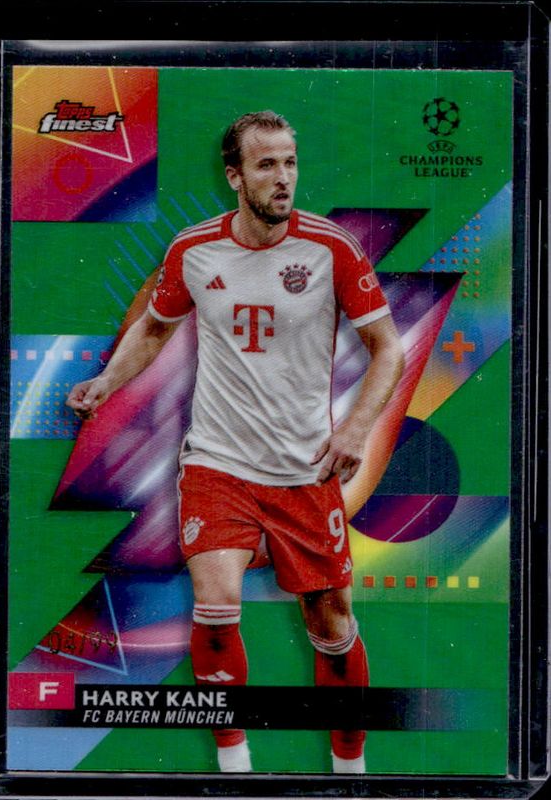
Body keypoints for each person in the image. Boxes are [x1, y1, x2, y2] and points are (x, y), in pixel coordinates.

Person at [67, 111, 405, 774]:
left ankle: (349, 768)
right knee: (216, 608)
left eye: (290, 163)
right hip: (216, 465)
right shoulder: (194, 250)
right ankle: (234, 764)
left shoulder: (331, 248)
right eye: (266, 165)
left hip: (304, 470)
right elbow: (155, 328)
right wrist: (107, 380)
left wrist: (354, 429)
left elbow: (386, 349)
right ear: (234, 177)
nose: (283, 178)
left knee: (331, 624)